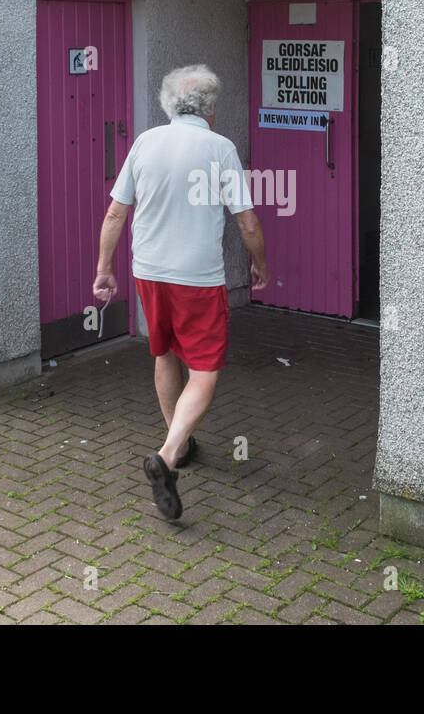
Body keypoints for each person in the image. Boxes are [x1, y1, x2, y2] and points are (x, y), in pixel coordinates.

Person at [93, 64, 269, 520]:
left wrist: (104, 269)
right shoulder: (220, 148)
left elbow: (115, 214)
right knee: (205, 370)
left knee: (165, 352)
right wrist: (260, 264)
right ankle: (169, 456)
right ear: (211, 107)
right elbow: (246, 220)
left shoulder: (145, 142)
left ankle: (181, 442)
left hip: (148, 271)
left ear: (169, 105)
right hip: (198, 278)